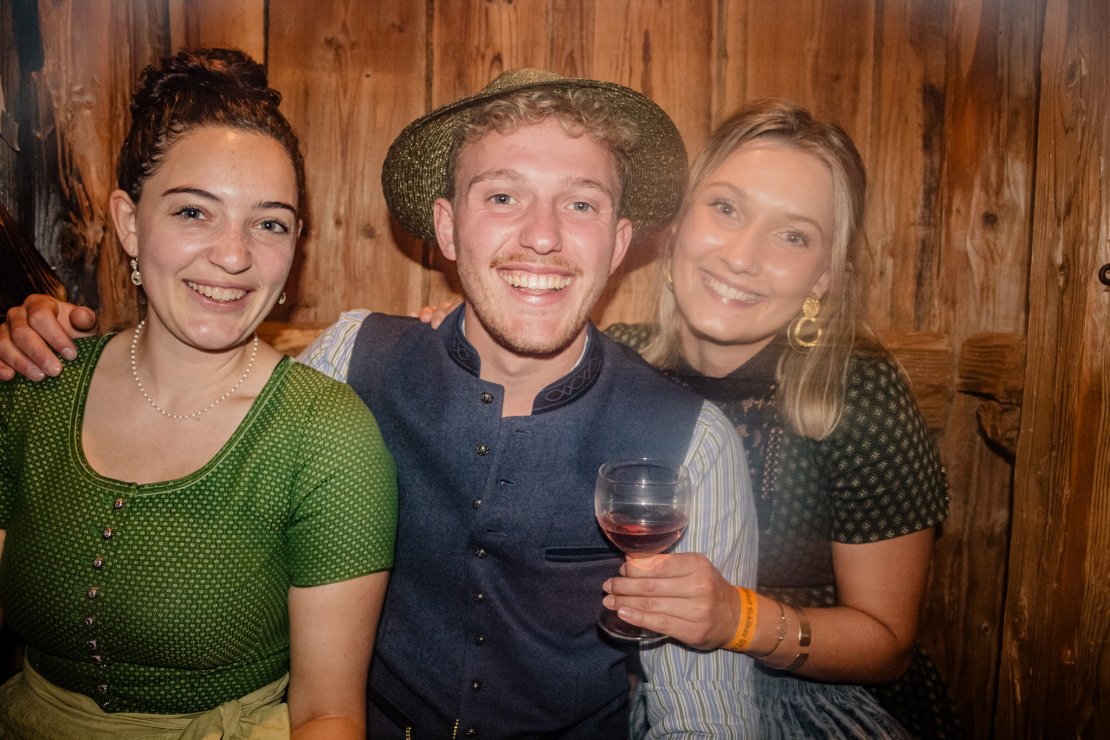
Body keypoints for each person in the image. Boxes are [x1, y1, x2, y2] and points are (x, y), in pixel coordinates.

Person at [0, 69, 759, 738]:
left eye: (581, 205)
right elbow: (213, 400)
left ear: (619, 243)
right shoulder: (352, 357)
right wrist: (47, 338)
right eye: (503, 196)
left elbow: (705, 718)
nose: (542, 237)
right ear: (448, 228)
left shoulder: (694, 443)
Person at [0, 49, 397, 739]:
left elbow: (329, 713)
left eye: (269, 223)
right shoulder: (36, 386)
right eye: (193, 212)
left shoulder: (328, 436)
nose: (234, 255)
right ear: (129, 223)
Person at [601, 99, 959, 737]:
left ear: (822, 277)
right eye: (726, 208)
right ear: (677, 225)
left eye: (793, 235)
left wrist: (736, 619)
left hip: (811, 706)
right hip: (630, 695)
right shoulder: (612, 365)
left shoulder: (857, 397)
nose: (743, 256)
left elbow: (887, 644)